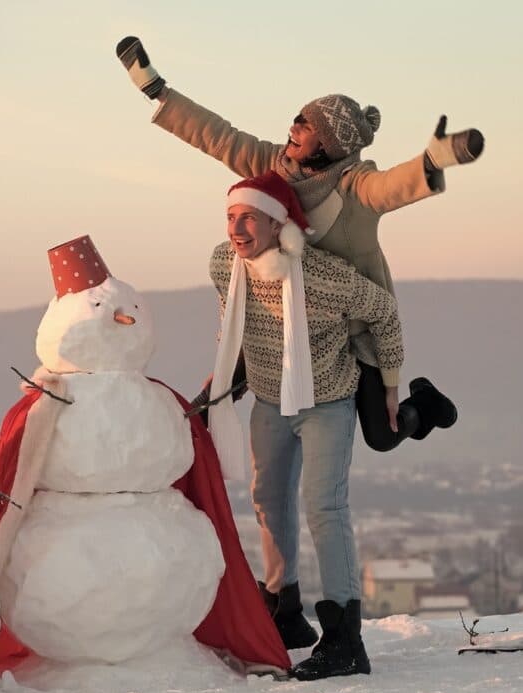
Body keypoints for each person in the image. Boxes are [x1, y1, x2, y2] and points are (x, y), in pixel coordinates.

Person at [116, 36, 485, 453]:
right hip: (282, 312)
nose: (293, 128)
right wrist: (157, 91)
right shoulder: (275, 164)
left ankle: (426, 404)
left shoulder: (356, 185)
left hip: (349, 317)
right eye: (296, 120)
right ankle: (178, 449)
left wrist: (432, 161)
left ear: (329, 144)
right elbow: (218, 137)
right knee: (221, 388)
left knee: (382, 436)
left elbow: (392, 186)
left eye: (306, 127)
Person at [195, 170, 406, 680]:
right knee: (268, 499)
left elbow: (384, 311)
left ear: (279, 224)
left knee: (324, 507)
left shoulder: (325, 278)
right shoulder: (225, 264)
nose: (236, 229)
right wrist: (222, 380)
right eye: (230, 217)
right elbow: (232, 323)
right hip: (269, 399)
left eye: (249, 218)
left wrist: (391, 384)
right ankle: (284, 612)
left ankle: (345, 639)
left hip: (326, 402)